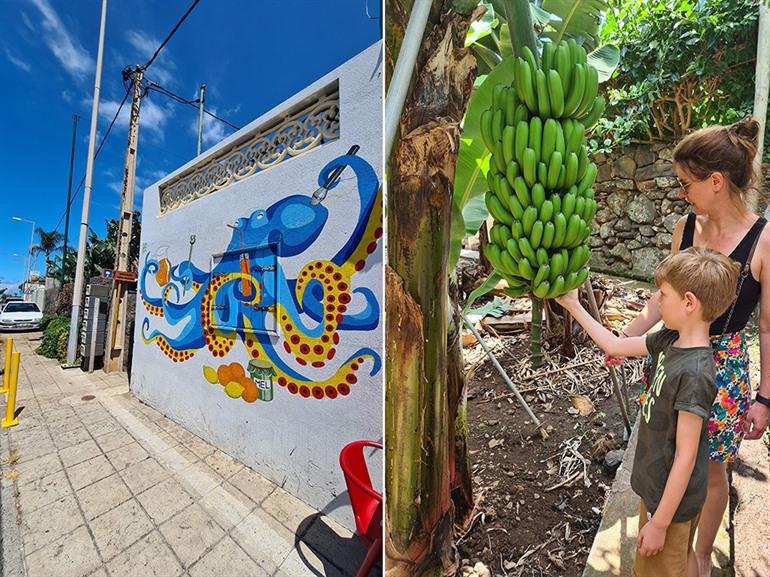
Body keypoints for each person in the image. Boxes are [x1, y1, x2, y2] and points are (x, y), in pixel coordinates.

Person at [608, 117, 770, 577]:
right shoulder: (685, 227)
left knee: (712, 469)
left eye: (686, 184)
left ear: (715, 181)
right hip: (673, 355)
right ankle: (664, 527)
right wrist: (627, 339)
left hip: (723, 376)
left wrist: (764, 398)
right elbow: (666, 298)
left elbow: (769, 327)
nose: (682, 193)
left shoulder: (763, 240)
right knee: (668, 452)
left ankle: (700, 553)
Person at [557, 247, 740, 577]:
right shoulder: (671, 339)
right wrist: (572, 305)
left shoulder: (696, 373)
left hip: (671, 504)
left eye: (663, 293)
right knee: (679, 561)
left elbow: (685, 456)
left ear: (688, 302)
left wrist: (659, 524)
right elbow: (615, 346)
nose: (656, 299)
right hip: (661, 490)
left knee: (655, 569)